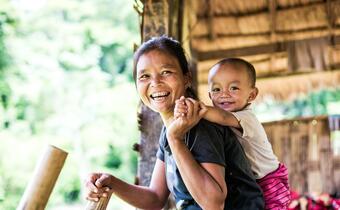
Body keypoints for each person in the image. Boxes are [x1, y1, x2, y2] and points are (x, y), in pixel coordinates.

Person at [85, 36, 264, 210]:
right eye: (144, 76)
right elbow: (155, 198)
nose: (155, 82)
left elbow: (213, 204)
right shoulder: (171, 129)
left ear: (187, 78)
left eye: (166, 72)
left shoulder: (200, 125)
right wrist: (111, 182)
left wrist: (175, 139)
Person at [175, 58, 291, 209]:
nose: (224, 94)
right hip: (253, 182)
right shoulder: (220, 121)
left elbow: (222, 116)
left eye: (233, 88)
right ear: (210, 95)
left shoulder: (246, 118)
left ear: (252, 95)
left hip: (269, 180)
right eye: (216, 89)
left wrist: (192, 108)